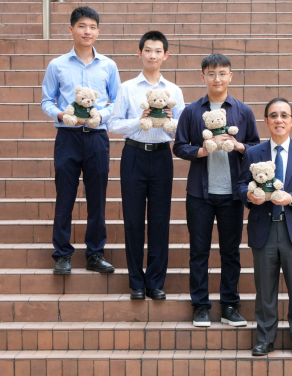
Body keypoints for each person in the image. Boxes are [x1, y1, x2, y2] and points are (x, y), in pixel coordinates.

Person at [173, 54, 260, 327]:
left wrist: (240, 146)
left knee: (230, 252)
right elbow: (178, 146)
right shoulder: (192, 111)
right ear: (203, 77)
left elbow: (256, 148)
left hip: (232, 194)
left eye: (222, 73)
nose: (217, 78)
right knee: (199, 251)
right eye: (211, 73)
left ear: (230, 76)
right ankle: (200, 305)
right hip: (200, 193)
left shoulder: (243, 111)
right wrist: (199, 151)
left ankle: (230, 306)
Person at [237, 98, 292, 357]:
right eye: (273, 115)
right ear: (266, 121)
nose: (279, 120)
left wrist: (291, 198)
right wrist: (249, 197)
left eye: (284, 115)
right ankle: (265, 338)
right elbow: (241, 186)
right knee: (264, 287)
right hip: (264, 227)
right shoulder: (253, 153)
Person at [41, 6, 120, 275]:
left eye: (92, 27)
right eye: (82, 26)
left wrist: (102, 115)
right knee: (65, 195)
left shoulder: (108, 65)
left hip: (97, 137)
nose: (87, 31)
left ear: (98, 31)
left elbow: (116, 102)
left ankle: (95, 253)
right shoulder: (57, 65)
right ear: (71, 28)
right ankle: (62, 254)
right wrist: (61, 114)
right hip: (67, 137)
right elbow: (46, 100)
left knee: (97, 197)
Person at [108, 31, 184, 300]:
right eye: (148, 50)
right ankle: (136, 282)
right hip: (134, 156)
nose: (152, 55)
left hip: (162, 156)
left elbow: (181, 133)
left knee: (160, 220)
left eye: (158, 51)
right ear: (139, 53)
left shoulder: (174, 91)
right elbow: (113, 124)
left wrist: (172, 121)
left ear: (166, 55)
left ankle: (155, 281)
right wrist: (138, 120)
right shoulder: (127, 87)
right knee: (133, 220)